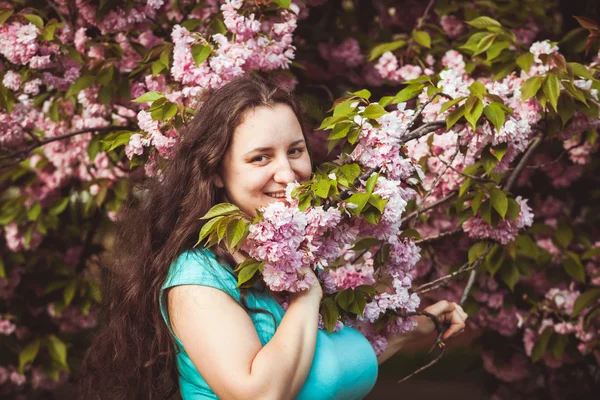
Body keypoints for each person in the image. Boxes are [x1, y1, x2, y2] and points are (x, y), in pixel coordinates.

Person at [79, 73, 468, 400]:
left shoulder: (287, 256)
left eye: (295, 151)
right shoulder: (198, 278)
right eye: (260, 157)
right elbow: (261, 393)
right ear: (216, 172)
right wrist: (306, 294)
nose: (287, 173)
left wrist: (415, 325)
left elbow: (317, 367)